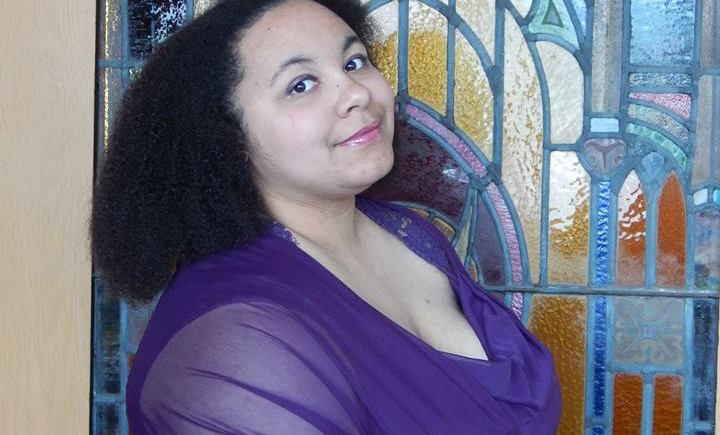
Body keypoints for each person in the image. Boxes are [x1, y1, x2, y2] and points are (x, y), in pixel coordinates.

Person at [90, 0, 562, 433]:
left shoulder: (412, 235)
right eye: (301, 85)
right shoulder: (230, 344)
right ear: (228, 140)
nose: (355, 92)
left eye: (354, 62)